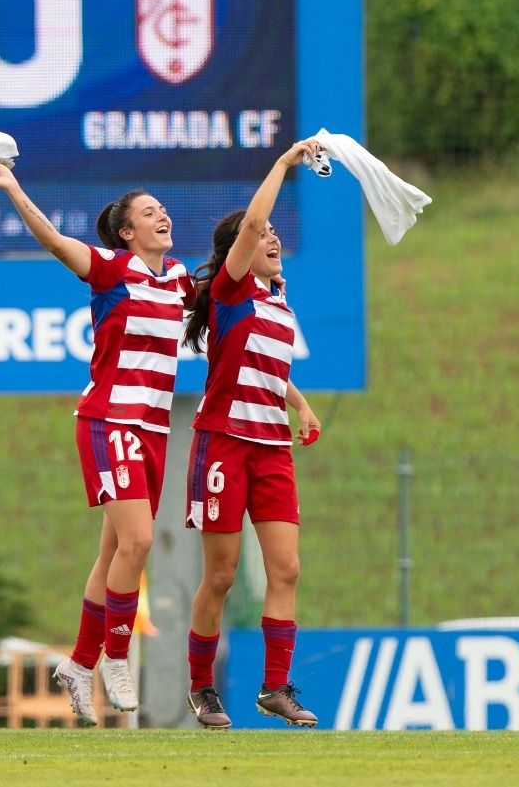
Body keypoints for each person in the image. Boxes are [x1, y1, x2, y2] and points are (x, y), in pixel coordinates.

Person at [0, 163, 194, 726]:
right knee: (140, 541)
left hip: (152, 429)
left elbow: (227, 296)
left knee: (113, 554)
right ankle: (114, 659)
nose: (162, 216)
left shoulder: (177, 280)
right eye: (149, 213)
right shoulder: (110, 269)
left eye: (162, 209)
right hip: (110, 419)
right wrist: (10, 186)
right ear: (126, 232)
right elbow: (52, 240)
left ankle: (78, 662)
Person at [180, 140, 324, 730]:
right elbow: (255, 221)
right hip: (223, 441)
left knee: (286, 569)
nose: (270, 239)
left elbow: (269, 368)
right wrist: (284, 163)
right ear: (239, 250)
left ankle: (275, 688)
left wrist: (302, 405)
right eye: (259, 235)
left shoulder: (279, 301)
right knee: (220, 574)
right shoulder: (230, 291)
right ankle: (200, 689)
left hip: (270, 448)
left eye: (271, 236)